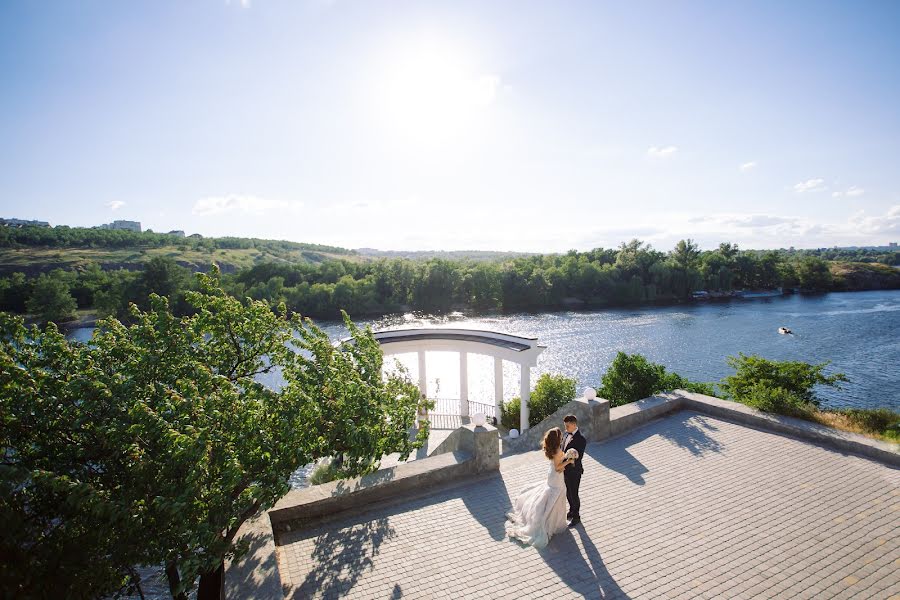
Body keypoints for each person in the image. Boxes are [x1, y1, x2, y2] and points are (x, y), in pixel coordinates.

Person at [505, 427, 573, 548]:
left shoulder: (553, 449)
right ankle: (552, 523)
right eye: (560, 435)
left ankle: (551, 519)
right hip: (556, 476)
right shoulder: (557, 450)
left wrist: (565, 457)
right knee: (557, 495)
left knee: (551, 494)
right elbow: (559, 468)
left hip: (551, 474)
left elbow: (556, 463)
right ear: (557, 439)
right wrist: (569, 460)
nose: (562, 436)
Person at [562, 414, 587, 527]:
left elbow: (579, 456)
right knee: (568, 492)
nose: (566, 428)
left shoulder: (581, 439)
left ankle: (576, 516)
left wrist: (569, 459)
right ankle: (571, 510)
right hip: (565, 470)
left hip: (574, 471)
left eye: (567, 426)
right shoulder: (566, 434)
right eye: (565, 426)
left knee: (574, 493)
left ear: (574, 424)